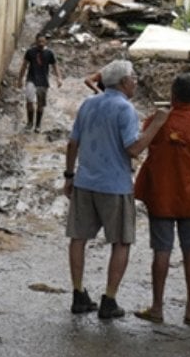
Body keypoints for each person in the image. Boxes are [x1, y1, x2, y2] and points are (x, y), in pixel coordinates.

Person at [64, 59, 170, 319]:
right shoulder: (125, 109)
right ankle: (109, 299)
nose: (136, 81)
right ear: (123, 82)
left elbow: (72, 144)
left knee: (78, 238)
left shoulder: (88, 104)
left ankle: (78, 293)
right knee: (121, 241)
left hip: (85, 181)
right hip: (115, 185)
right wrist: (156, 125)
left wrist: (69, 175)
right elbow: (133, 149)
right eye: (133, 77)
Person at [132, 73, 190, 325]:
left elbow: (142, 144)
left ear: (172, 95)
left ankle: (157, 307)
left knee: (162, 250)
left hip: (162, 195)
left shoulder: (156, 121)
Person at [17, 34, 63, 132]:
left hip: (43, 81)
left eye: (43, 41)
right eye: (39, 41)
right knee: (29, 101)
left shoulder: (49, 53)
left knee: (40, 104)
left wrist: (59, 78)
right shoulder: (30, 52)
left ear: (46, 42)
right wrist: (20, 79)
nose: (41, 43)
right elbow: (24, 66)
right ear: (36, 41)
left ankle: (38, 125)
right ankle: (30, 123)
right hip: (31, 79)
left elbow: (55, 66)